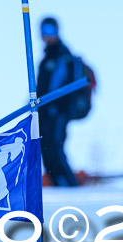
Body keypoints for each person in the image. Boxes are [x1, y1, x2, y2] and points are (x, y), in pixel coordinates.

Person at [37, 17, 93, 187]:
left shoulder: (64, 57)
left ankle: (69, 185)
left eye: (51, 30)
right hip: (45, 113)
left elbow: (63, 87)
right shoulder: (47, 58)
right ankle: (56, 183)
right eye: (45, 31)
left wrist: (56, 107)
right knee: (45, 147)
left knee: (55, 147)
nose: (48, 35)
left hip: (58, 112)